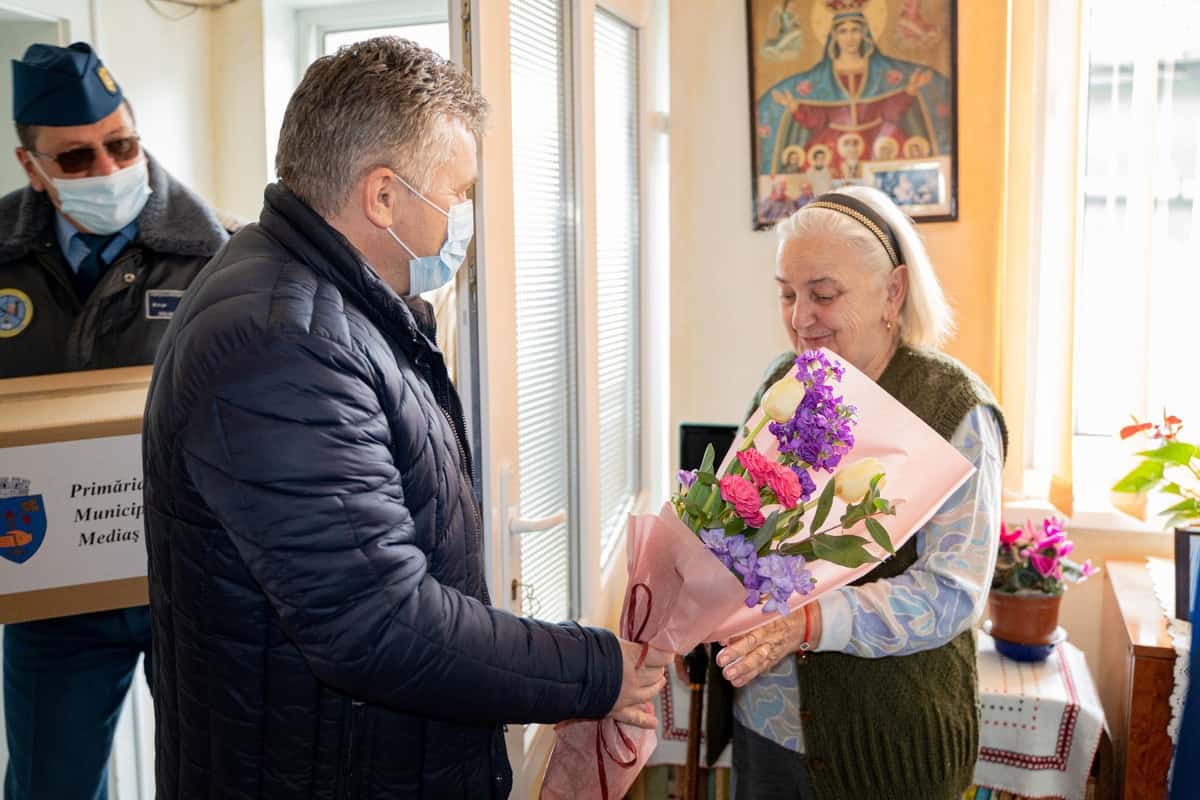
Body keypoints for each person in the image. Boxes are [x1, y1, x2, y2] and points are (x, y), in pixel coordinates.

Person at [141, 37, 668, 799]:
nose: (466, 218)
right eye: (459, 193)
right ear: (383, 196)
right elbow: (377, 624)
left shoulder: (331, 305)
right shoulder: (280, 343)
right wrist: (595, 670)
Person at [708, 186, 1007, 799]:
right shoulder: (784, 382)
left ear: (892, 292)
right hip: (767, 729)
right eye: (787, 294)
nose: (799, 317)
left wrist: (812, 622)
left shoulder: (953, 410)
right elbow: (731, 519)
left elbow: (951, 593)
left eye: (823, 294)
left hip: (890, 749)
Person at [0, 42, 229, 799]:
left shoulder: (213, 256)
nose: (106, 171)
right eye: (75, 160)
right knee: (46, 787)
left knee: (220, 777)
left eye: (121, 145)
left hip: (189, 586)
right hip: (53, 591)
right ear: (29, 166)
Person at [758, 5, 952, 183]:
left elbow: (888, 112)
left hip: (879, 142)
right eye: (843, 31)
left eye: (855, 30)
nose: (850, 38)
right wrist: (795, 108)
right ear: (834, 36)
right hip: (832, 147)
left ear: (864, 34)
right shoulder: (822, 77)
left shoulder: (881, 71)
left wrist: (908, 91)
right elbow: (818, 119)